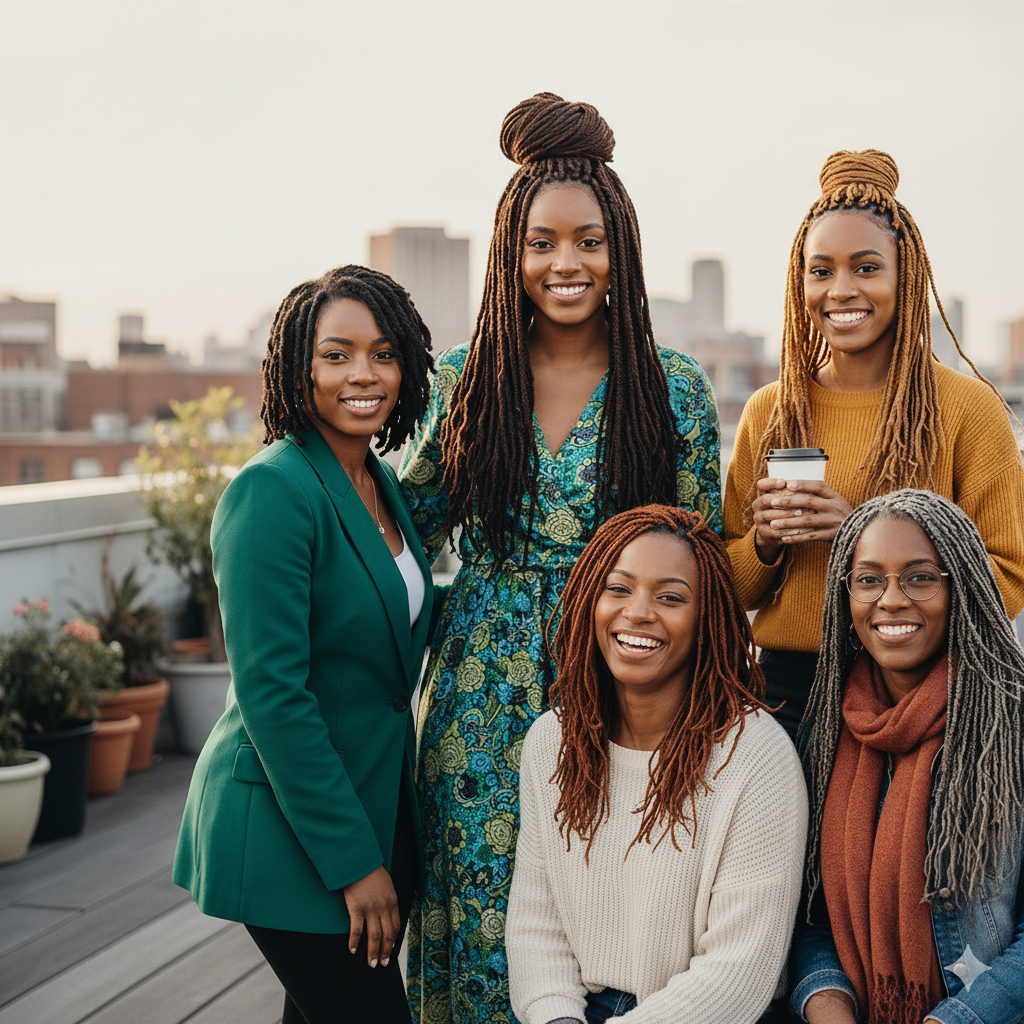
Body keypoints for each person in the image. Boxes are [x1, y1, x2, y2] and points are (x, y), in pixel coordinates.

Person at [399, 93, 721, 1023]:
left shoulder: (673, 387)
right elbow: (401, 532)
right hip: (483, 691)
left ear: (621, 248)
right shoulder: (465, 379)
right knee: (486, 912)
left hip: (623, 685)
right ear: (511, 253)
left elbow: (699, 559)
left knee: (614, 923)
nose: (565, 263)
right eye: (541, 242)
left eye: (588, 240)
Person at [173, 265, 440, 1024]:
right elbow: (272, 695)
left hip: (363, 801)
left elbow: (392, 612)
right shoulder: (273, 489)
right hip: (292, 830)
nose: (364, 374)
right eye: (337, 354)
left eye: (384, 354)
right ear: (299, 366)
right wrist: (358, 865)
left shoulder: (375, 481)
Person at [723, 148, 1024, 739]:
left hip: (918, 692)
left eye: (865, 268)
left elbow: (1009, 580)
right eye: (821, 270)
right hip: (788, 696)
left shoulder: (967, 408)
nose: (841, 290)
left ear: (902, 277)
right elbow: (732, 588)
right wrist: (762, 541)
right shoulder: (770, 411)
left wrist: (862, 536)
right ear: (799, 280)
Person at [506, 505, 807, 1024]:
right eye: (618, 589)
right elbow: (538, 924)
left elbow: (737, 972)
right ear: (588, 602)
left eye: (671, 598)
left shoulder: (756, 756)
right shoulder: (553, 739)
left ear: (706, 619)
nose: (638, 612)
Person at [792, 489, 1024, 1024]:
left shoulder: (1006, 726)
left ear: (960, 587)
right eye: (869, 580)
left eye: (920, 577)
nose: (891, 600)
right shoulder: (828, 731)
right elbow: (808, 917)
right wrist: (831, 1006)